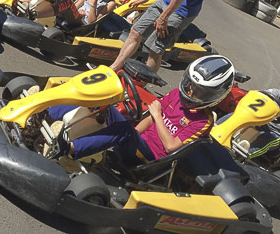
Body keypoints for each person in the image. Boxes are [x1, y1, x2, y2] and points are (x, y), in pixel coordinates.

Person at [48, 55, 235, 164]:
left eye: (199, 91)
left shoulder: (203, 121)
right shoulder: (177, 95)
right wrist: (133, 134)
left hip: (151, 156)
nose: (191, 92)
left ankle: (67, 149)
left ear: (214, 95)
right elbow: (150, 117)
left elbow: (171, 147)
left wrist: (156, 117)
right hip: (136, 142)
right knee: (104, 103)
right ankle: (47, 112)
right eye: (191, 85)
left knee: (124, 129)